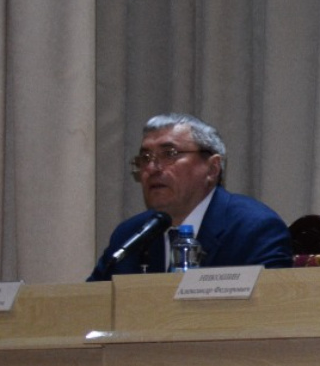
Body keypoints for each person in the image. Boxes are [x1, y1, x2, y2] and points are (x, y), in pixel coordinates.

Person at [88, 113, 293, 280]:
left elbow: (272, 308)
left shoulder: (254, 228)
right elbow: (90, 305)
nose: (152, 168)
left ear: (212, 169)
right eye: (145, 158)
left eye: (170, 154)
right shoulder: (130, 235)